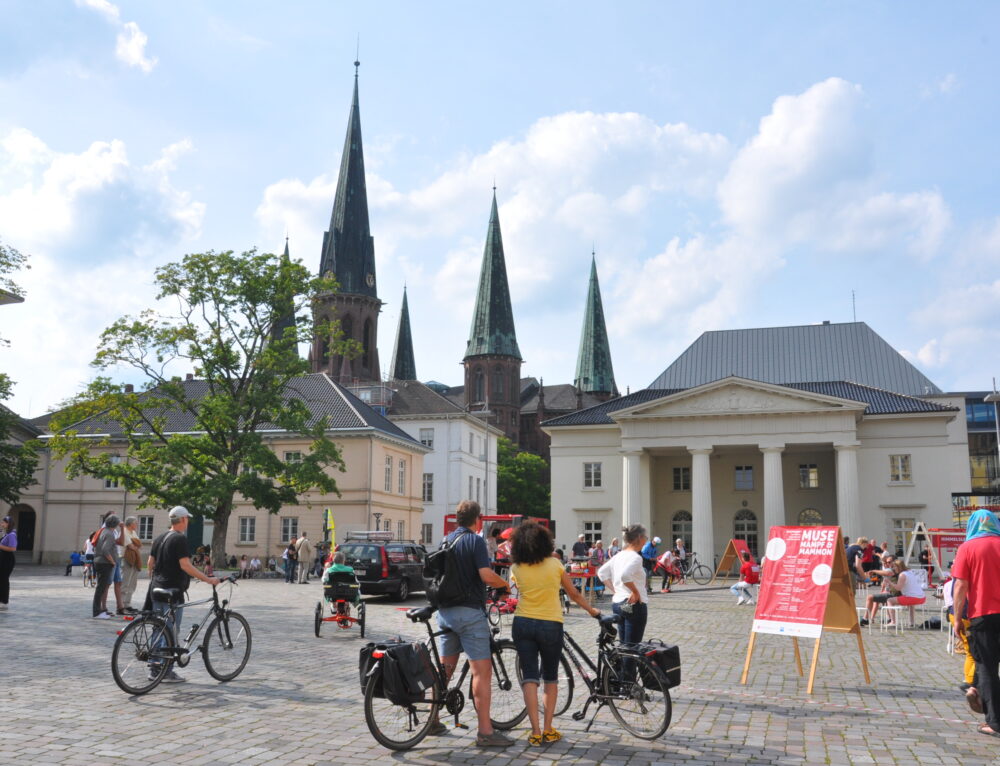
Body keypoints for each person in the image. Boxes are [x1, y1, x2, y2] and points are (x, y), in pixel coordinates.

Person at [429, 500, 514, 747]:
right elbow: (485, 575)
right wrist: (504, 585)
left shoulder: (446, 540)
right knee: (482, 673)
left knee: (445, 669)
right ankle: (485, 732)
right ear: (478, 520)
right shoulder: (475, 541)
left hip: (445, 612)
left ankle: (432, 720)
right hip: (468, 612)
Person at [509, 521, 599, 746]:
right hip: (550, 623)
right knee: (550, 677)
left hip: (523, 623)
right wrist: (592, 611)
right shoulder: (555, 564)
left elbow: (516, 590)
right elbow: (574, 594)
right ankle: (549, 728)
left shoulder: (516, 568)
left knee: (529, 677)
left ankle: (535, 731)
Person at [146, 506, 220, 682]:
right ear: (184, 519)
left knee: (159, 627)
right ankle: (165, 671)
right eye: (188, 519)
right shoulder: (179, 539)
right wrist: (208, 579)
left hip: (156, 589)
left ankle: (154, 666)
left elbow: (150, 563)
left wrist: (155, 578)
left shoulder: (159, 538)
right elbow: (186, 565)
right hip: (172, 590)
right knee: (171, 630)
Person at [952, 508, 1000, 737]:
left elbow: (960, 585)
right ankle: (976, 688)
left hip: (983, 614)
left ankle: (994, 721)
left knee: (987, 667)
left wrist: (958, 618)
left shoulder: (967, 548)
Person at [597, 523, 649, 645]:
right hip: (633, 604)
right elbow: (625, 576)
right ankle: (627, 665)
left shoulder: (619, 555)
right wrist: (635, 592)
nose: (646, 541)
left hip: (619, 604)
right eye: (645, 538)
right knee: (631, 648)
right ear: (640, 537)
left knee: (624, 646)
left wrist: (616, 590)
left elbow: (601, 573)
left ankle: (622, 664)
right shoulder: (636, 557)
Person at [92, 514, 121, 619]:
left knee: (101, 587)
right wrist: (112, 561)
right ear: (115, 524)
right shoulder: (109, 534)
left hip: (100, 562)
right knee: (101, 588)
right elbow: (105, 550)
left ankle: (98, 610)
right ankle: (97, 612)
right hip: (104, 563)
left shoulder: (104, 531)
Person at [120, 516, 143, 614]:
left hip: (135, 559)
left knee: (132, 583)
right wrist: (135, 546)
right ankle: (121, 604)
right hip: (127, 559)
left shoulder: (133, 533)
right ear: (130, 524)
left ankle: (127, 604)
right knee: (125, 582)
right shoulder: (124, 531)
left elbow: (138, 545)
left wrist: (135, 546)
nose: (137, 525)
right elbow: (131, 546)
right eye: (136, 523)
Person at [0, 516, 17, 610]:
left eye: (3, 523)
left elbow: (13, 548)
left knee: (4, 580)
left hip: (8, 559)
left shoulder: (12, 535)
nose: (1, 524)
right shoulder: (7, 534)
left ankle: (4, 601)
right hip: (3, 558)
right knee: (1, 579)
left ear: (8, 524)